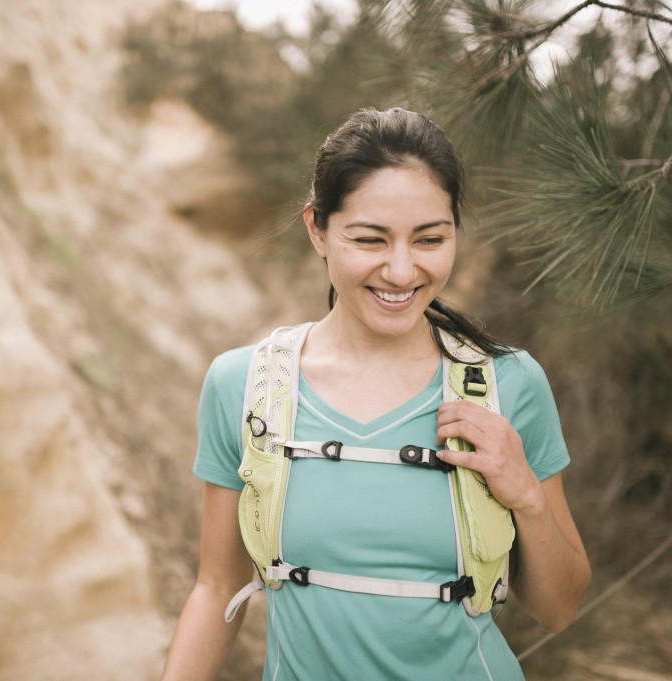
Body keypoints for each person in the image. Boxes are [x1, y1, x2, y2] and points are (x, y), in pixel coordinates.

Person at [161, 107, 591, 680]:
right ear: (317, 228)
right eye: (371, 239)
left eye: (430, 239)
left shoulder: (509, 384)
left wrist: (527, 495)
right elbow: (217, 588)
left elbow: (560, 609)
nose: (401, 269)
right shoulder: (245, 388)